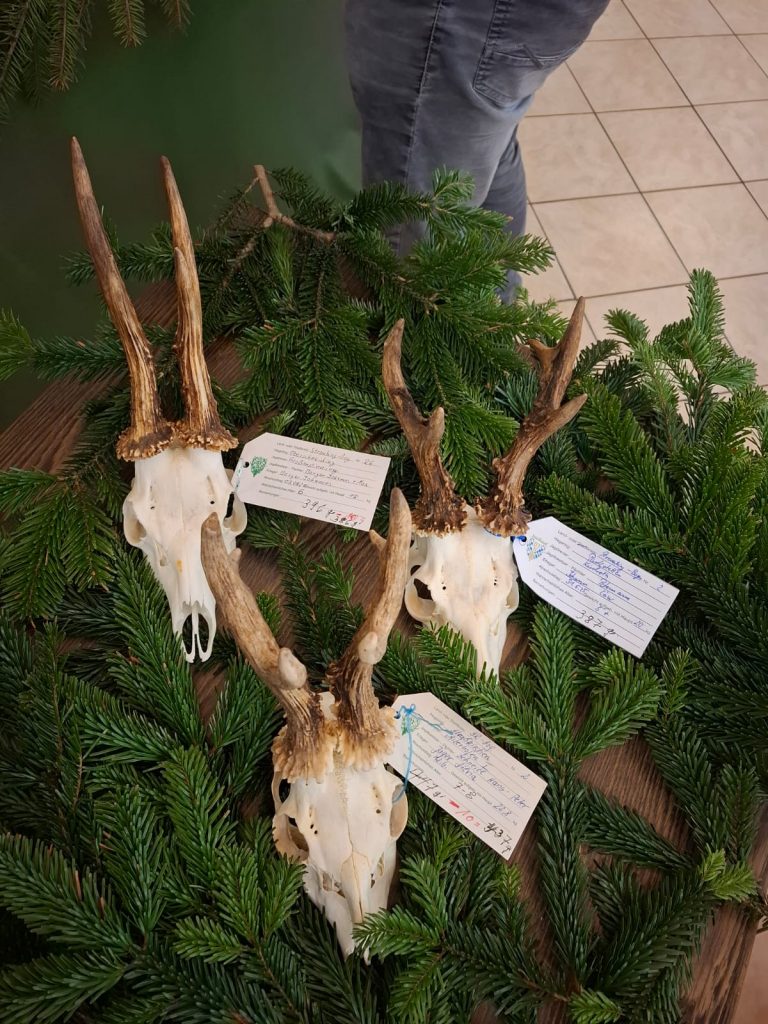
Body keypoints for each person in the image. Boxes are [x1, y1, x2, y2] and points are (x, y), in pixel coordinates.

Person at [345, 0, 609, 297]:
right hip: (534, 16)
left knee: (409, 236)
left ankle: (431, 318)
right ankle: (495, 309)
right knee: (487, 147)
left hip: (459, 15)